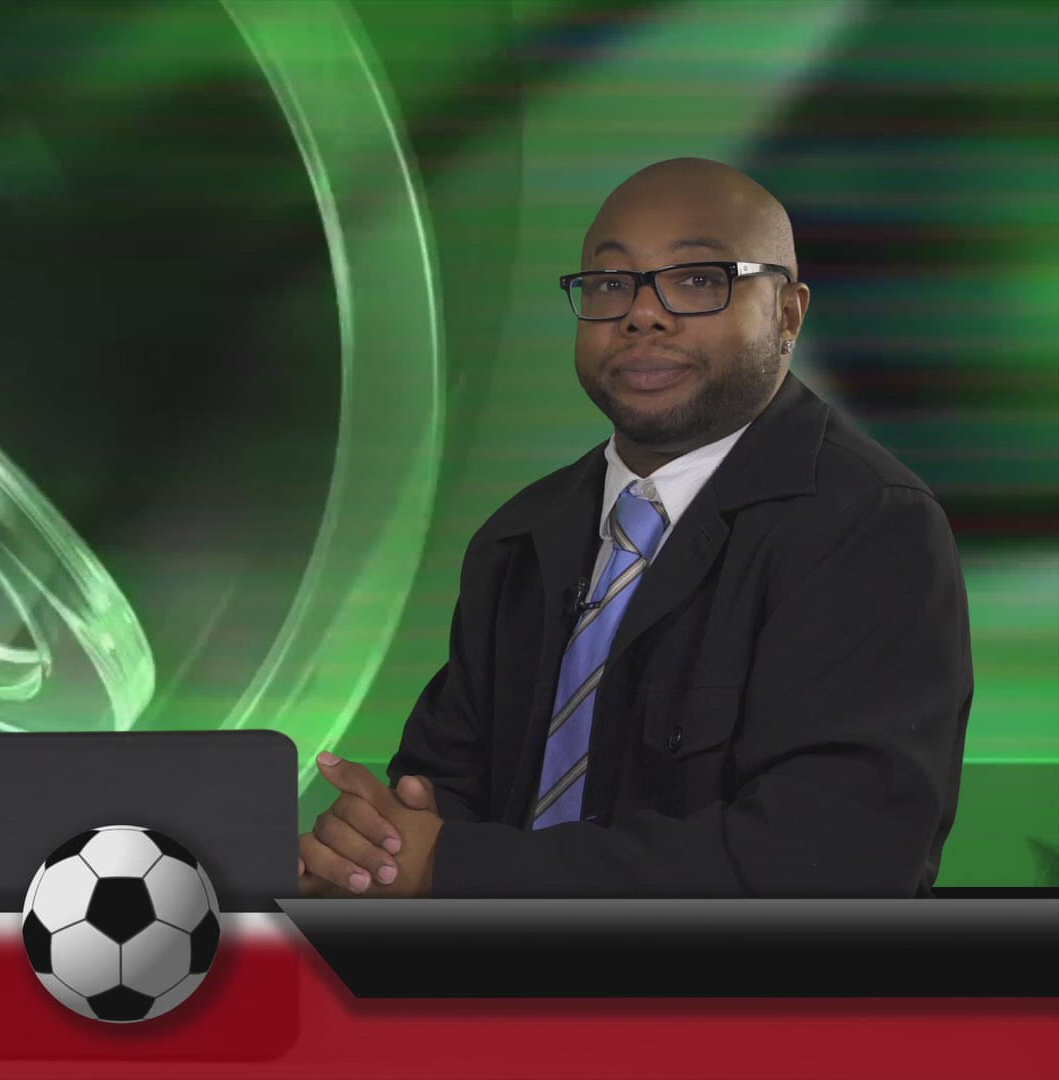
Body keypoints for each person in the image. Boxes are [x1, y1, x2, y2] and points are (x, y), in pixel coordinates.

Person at [298, 158, 971, 898]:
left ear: (787, 314)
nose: (641, 314)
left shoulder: (870, 526)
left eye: (698, 279)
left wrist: (454, 868)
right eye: (610, 284)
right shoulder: (520, 535)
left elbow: (833, 863)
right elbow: (442, 794)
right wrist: (375, 848)